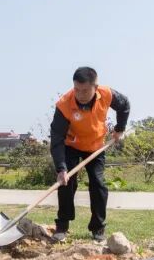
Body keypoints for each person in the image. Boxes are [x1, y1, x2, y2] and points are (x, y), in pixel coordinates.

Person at [49, 66, 129, 243]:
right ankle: (62, 226)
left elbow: (124, 105)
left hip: (95, 146)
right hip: (71, 145)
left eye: (85, 90)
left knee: (98, 184)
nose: (80, 94)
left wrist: (119, 129)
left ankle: (98, 229)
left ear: (95, 86)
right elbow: (56, 139)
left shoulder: (107, 94)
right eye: (76, 89)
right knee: (65, 183)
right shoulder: (64, 104)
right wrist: (61, 168)